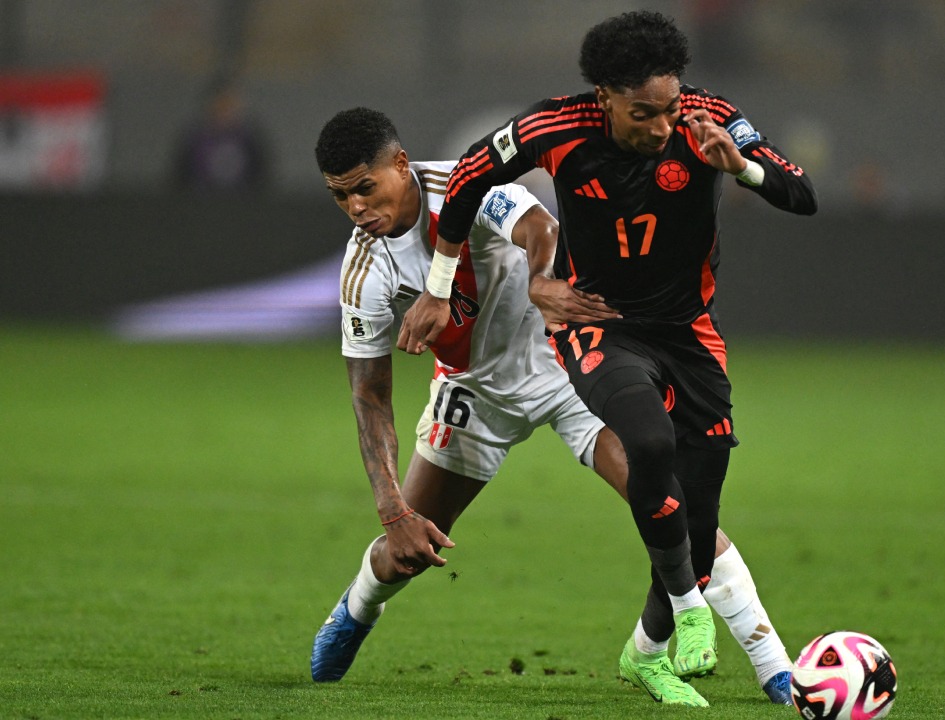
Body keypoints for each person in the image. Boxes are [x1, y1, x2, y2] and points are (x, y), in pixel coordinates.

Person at [308, 107, 795, 705]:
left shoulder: (465, 188)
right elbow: (369, 394)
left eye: (365, 187)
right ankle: (355, 611)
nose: (357, 207)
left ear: (401, 165)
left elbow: (541, 228)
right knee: (408, 546)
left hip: (565, 366)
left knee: (667, 497)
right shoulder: (363, 272)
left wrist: (541, 280)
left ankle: (777, 670)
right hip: (472, 391)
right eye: (341, 197)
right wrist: (389, 510)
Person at [399, 11, 817, 708]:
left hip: (688, 333)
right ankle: (691, 611)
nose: (660, 128)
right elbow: (469, 177)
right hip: (599, 326)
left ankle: (646, 654)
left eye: (669, 110)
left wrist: (740, 166)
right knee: (647, 439)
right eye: (642, 114)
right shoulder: (554, 129)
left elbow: (801, 193)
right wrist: (440, 288)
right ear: (604, 98)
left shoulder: (709, 119)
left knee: (698, 519)